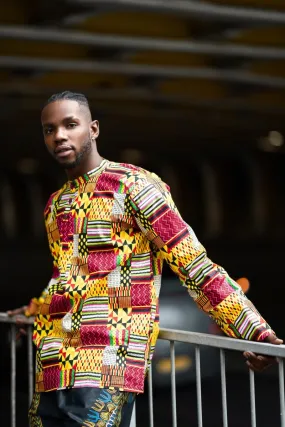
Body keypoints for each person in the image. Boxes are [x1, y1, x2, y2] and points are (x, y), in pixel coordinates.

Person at [8, 91, 282, 427]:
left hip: (105, 365)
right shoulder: (56, 204)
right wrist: (34, 311)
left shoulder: (135, 186)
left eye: (70, 124)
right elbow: (68, 277)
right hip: (52, 363)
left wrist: (254, 332)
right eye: (50, 130)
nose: (60, 135)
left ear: (93, 129)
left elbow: (194, 265)